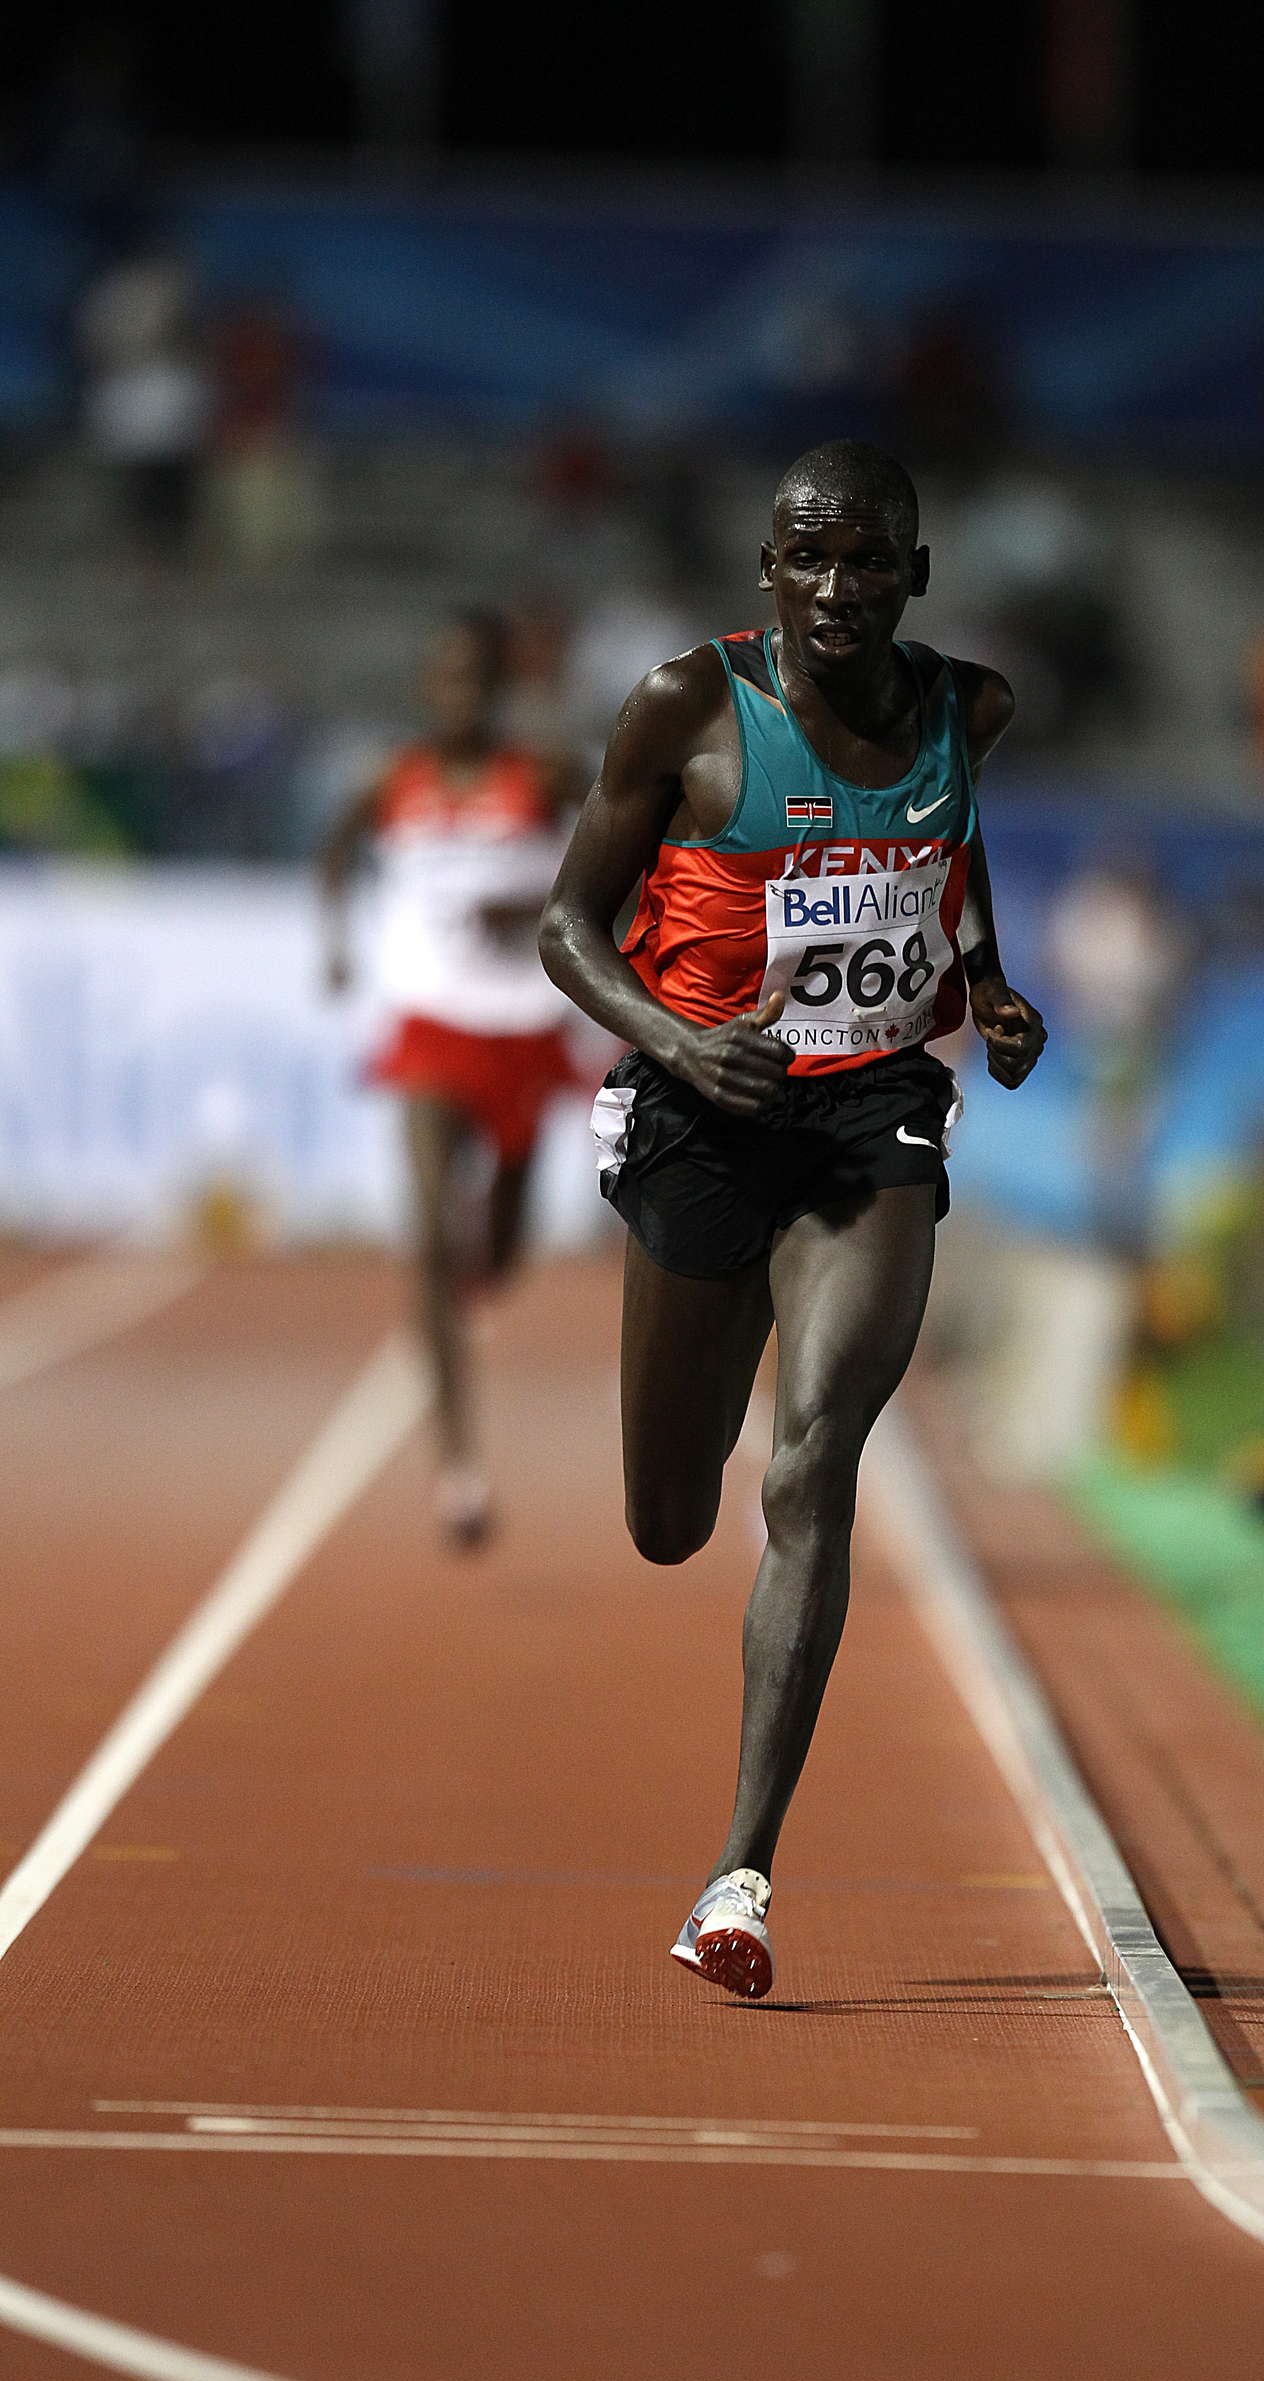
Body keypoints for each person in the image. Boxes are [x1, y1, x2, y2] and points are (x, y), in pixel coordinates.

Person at [539, 439, 1047, 1999]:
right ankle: (722, 1343)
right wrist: (681, 1042)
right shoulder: (686, 708)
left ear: (917, 574)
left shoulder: (969, 707)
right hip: (707, 1110)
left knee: (815, 1458)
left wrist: (983, 980)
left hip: (868, 1112)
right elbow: (565, 927)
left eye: (870, 557)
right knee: (670, 1518)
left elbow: (949, 841)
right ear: (768, 568)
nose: (839, 585)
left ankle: (740, 1875)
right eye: (809, 556)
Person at [320, 610, 581, 1545]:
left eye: (477, 679)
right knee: (432, 1235)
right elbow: (333, 851)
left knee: (498, 1255)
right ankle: (457, 1467)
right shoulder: (393, 778)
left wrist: (538, 907)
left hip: (522, 1031)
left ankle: (479, 1270)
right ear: (430, 687)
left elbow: (629, 855)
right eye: (447, 678)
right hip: (428, 1027)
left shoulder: (543, 774)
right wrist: (336, 945)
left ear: (500, 688)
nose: (460, 695)